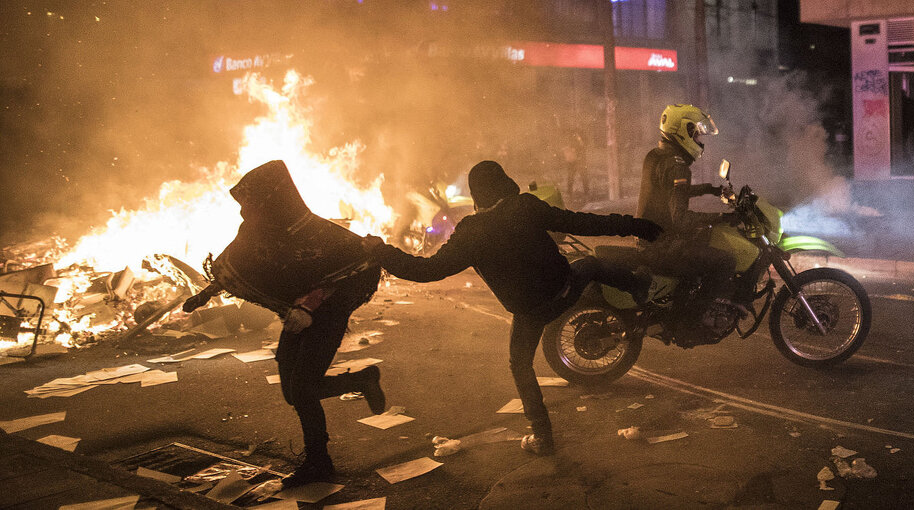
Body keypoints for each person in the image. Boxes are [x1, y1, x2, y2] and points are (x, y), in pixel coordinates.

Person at [362, 160, 661, 456]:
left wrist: (381, 251)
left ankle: (543, 437)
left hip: (531, 311)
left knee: (520, 366)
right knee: (591, 264)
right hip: (566, 290)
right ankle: (638, 287)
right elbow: (585, 223)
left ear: (477, 195)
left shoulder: (469, 232)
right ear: (504, 183)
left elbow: (425, 270)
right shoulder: (525, 207)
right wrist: (638, 226)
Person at [182, 160, 385, 488]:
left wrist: (309, 305)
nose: (244, 213)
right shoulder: (257, 230)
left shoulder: (315, 232)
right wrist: (206, 293)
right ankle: (362, 380)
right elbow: (242, 262)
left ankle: (319, 461)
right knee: (294, 392)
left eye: (250, 204)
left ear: (271, 200)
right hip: (295, 317)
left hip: (325, 314)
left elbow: (344, 270)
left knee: (303, 389)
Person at [636, 104, 741, 308]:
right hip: (661, 248)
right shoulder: (678, 166)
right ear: (683, 131)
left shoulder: (657, 155)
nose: (699, 141)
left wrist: (711, 189)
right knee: (725, 261)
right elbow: (681, 220)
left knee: (702, 239)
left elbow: (671, 191)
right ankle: (691, 319)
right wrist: (723, 218)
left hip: (648, 240)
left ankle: (685, 299)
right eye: (696, 135)